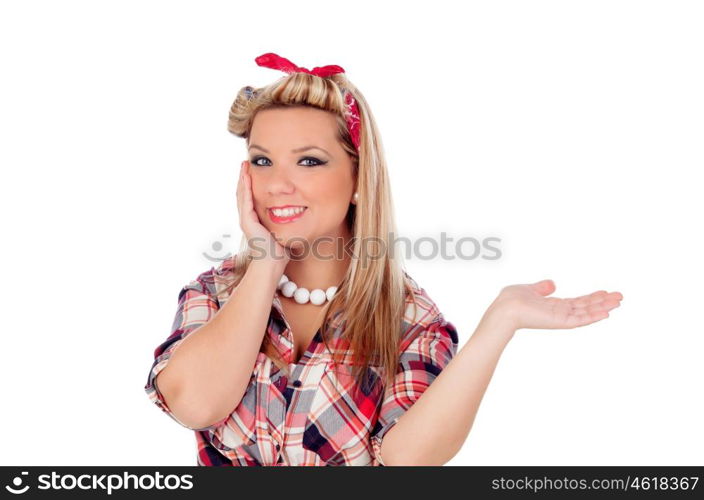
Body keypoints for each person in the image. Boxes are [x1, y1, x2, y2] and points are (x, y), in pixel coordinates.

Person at [144, 53, 623, 466]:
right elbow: (194, 405)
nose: (276, 184)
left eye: (308, 160)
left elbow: (406, 459)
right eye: (263, 160)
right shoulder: (215, 293)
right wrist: (266, 263)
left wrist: (500, 323)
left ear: (357, 178)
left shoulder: (410, 318)